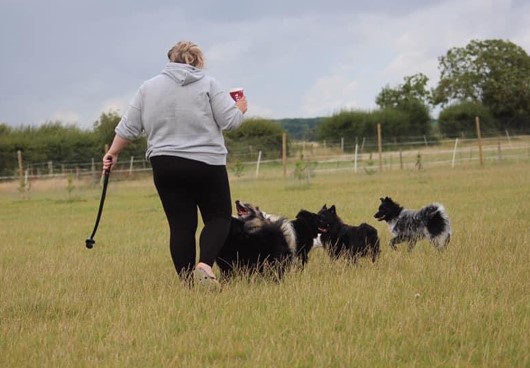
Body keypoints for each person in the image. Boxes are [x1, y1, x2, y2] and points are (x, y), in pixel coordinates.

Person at [102, 41, 248, 288]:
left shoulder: (148, 88)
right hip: (206, 163)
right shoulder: (209, 84)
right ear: (198, 61)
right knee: (218, 218)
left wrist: (113, 152)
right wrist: (240, 109)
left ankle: (188, 284)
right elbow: (230, 122)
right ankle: (204, 266)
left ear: (170, 60)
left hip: (165, 164)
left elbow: (128, 126)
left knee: (181, 225)